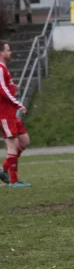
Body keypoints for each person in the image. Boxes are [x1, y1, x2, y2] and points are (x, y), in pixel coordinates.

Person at [0, 41, 30, 188]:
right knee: (12, 146)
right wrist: (18, 103)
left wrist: (13, 87)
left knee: (24, 142)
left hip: (10, 113)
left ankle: (7, 173)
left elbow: (6, 87)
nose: (10, 52)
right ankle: (11, 178)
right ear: (1, 53)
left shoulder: (4, 68)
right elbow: (2, 89)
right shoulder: (0, 68)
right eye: (8, 50)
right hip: (4, 114)